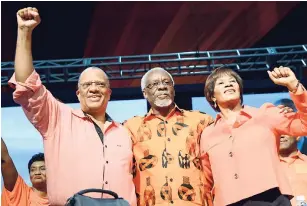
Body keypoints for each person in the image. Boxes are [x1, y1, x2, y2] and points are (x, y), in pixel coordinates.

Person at [9, 7, 136, 206]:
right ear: (78, 94)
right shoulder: (58, 120)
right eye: (87, 85)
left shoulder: (126, 133)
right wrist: (24, 33)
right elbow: (27, 86)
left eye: (100, 85)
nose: (94, 89)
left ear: (109, 93)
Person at [199, 66, 307, 206]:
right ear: (212, 96)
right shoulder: (208, 134)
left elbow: (304, 125)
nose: (228, 84)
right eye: (220, 83)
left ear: (240, 90)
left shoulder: (265, 114)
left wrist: (294, 86)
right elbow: (207, 180)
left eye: (233, 81)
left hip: (269, 199)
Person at [124, 67, 215, 206]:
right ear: (145, 93)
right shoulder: (130, 127)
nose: (162, 87)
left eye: (166, 83)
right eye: (154, 84)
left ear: (173, 89)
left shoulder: (201, 121)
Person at [1, 138, 49, 206]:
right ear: (29, 174)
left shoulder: (61, 200)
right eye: (33, 169)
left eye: (42, 169)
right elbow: (4, 160)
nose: (37, 172)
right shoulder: (19, 193)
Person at [279, 134, 307, 205]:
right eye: (277, 133)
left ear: (298, 136)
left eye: (284, 132)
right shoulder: (267, 165)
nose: (281, 136)